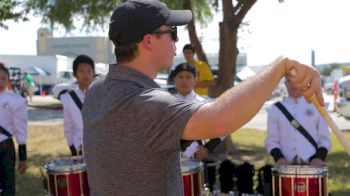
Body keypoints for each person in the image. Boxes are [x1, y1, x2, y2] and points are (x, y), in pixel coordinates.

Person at [82, 0, 323, 195]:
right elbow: (220, 120)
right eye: (172, 33)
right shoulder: (147, 104)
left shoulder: (97, 89)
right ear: (148, 40)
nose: (177, 41)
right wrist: (279, 67)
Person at [265, 78, 331, 166]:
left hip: (312, 163)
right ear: (285, 84)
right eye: (289, 81)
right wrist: (279, 158)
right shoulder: (275, 109)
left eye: (297, 81)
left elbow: (324, 140)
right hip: (286, 165)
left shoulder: (317, 107)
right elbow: (272, 141)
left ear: (304, 83)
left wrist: (319, 158)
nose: (293, 84)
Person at [0, 65, 28, 195]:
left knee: (8, 186)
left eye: (3, 78)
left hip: (5, 148)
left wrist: (23, 157)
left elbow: (20, 128)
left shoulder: (15, 101)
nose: (0, 82)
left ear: (8, 81)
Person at [60, 55, 95, 156]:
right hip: (80, 147)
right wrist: (71, 146)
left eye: (89, 71)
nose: (86, 75)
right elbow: (68, 126)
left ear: (93, 73)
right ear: (75, 74)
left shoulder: (102, 95)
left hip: (100, 148)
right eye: (81, 71)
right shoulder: (68, 98)